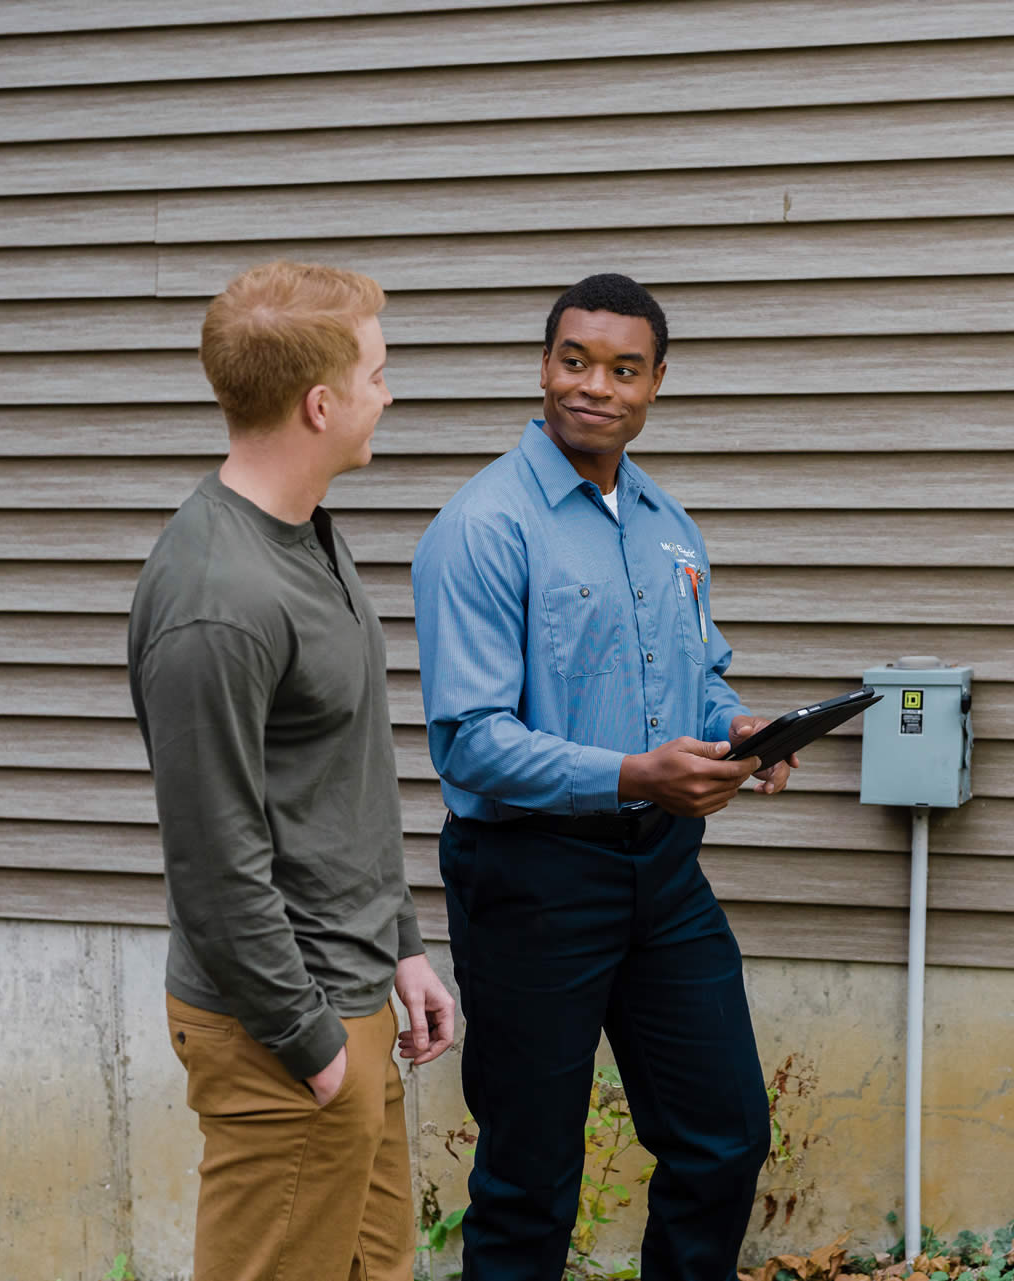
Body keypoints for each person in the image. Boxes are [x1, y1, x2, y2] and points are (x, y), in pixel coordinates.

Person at [411, 273, 796, 1281]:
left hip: (663, 876)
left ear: (657, 382)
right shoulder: (483, 526)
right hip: (531, 880)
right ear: (545, 367)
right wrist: (633, 773)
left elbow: (696, 681)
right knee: (529, 1179)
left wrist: (742, 730)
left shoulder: (669, 524)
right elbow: (471, 743)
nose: (596, 387)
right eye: (575, 361)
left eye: (624, 369)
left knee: (725, 1138)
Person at [128, 260, 455, 1281]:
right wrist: (312, 1045)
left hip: (351, 992)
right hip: (284, 1027)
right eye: (376, 375)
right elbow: (215, 862)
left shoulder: (305, 533)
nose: (387, 396)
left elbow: (334, 781)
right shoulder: (216, 602)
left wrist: (400, 944)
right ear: (321, 405)